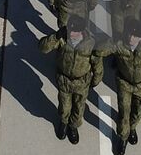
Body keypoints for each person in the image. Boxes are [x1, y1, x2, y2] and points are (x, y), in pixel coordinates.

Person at [39, 15, 103, 145]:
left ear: (82, 31)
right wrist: (56, 36)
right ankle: (63, 122)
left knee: (79, 107)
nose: (71, 34)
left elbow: (97, 65)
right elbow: (42, 48)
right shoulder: (62, 38)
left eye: (74, 32)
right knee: (64, 106)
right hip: (64, 80)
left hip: (82, 82)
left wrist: (95, 81)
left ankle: (73, 127)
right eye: (70, 31)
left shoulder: (90, 44)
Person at [111, 17, 141, 155]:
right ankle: (123, 137)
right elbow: (102, 51)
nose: (131, 38)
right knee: (124, 112)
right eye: (130, 34)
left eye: (136, 36)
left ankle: (132, 128)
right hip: (124, 84)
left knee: (137, 111)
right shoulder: (119, 45)